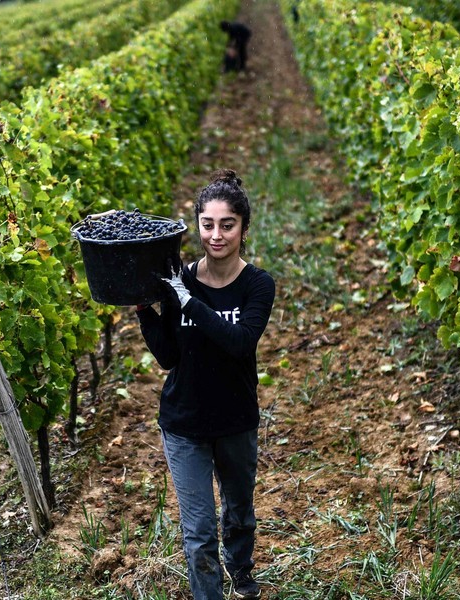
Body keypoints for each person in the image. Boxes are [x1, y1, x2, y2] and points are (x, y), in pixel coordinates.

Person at [135, 169, 276, 599]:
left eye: (227, 225)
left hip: (235, 419)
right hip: (184, 422)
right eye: (207, 224)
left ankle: (242, 570)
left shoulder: (257, 285)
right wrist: (145, 306)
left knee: (239, 516)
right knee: (198, 534)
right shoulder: (181, 280)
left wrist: (188, 300)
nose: (216, 235)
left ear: (244, 229)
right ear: (197, 224)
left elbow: (238, 343)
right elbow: (168, 357)